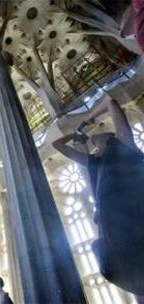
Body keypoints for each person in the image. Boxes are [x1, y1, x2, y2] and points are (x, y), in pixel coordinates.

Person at [53, 97, 144, 294]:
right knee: (134, 277)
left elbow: (111, 102)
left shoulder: (125, 146)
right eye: (93, 143)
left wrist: (87, 121)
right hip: (117, 228)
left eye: (97, 138)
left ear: (112, 138)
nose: (94, 141)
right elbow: (57, 145)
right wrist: (75, 135)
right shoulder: (93, 163)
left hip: (136, 217)